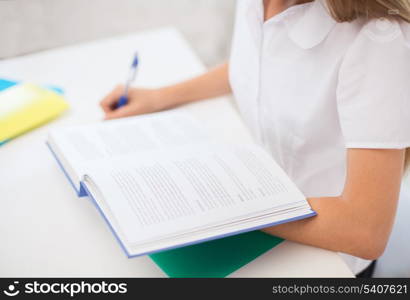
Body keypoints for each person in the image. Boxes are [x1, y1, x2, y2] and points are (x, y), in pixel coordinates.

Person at [100, 0, 410, 277]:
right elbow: (258, 63)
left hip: (324, 258)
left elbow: (364, 230)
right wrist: (161, 96)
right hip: (258, 210)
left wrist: (217, 204)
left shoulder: (379, 42)